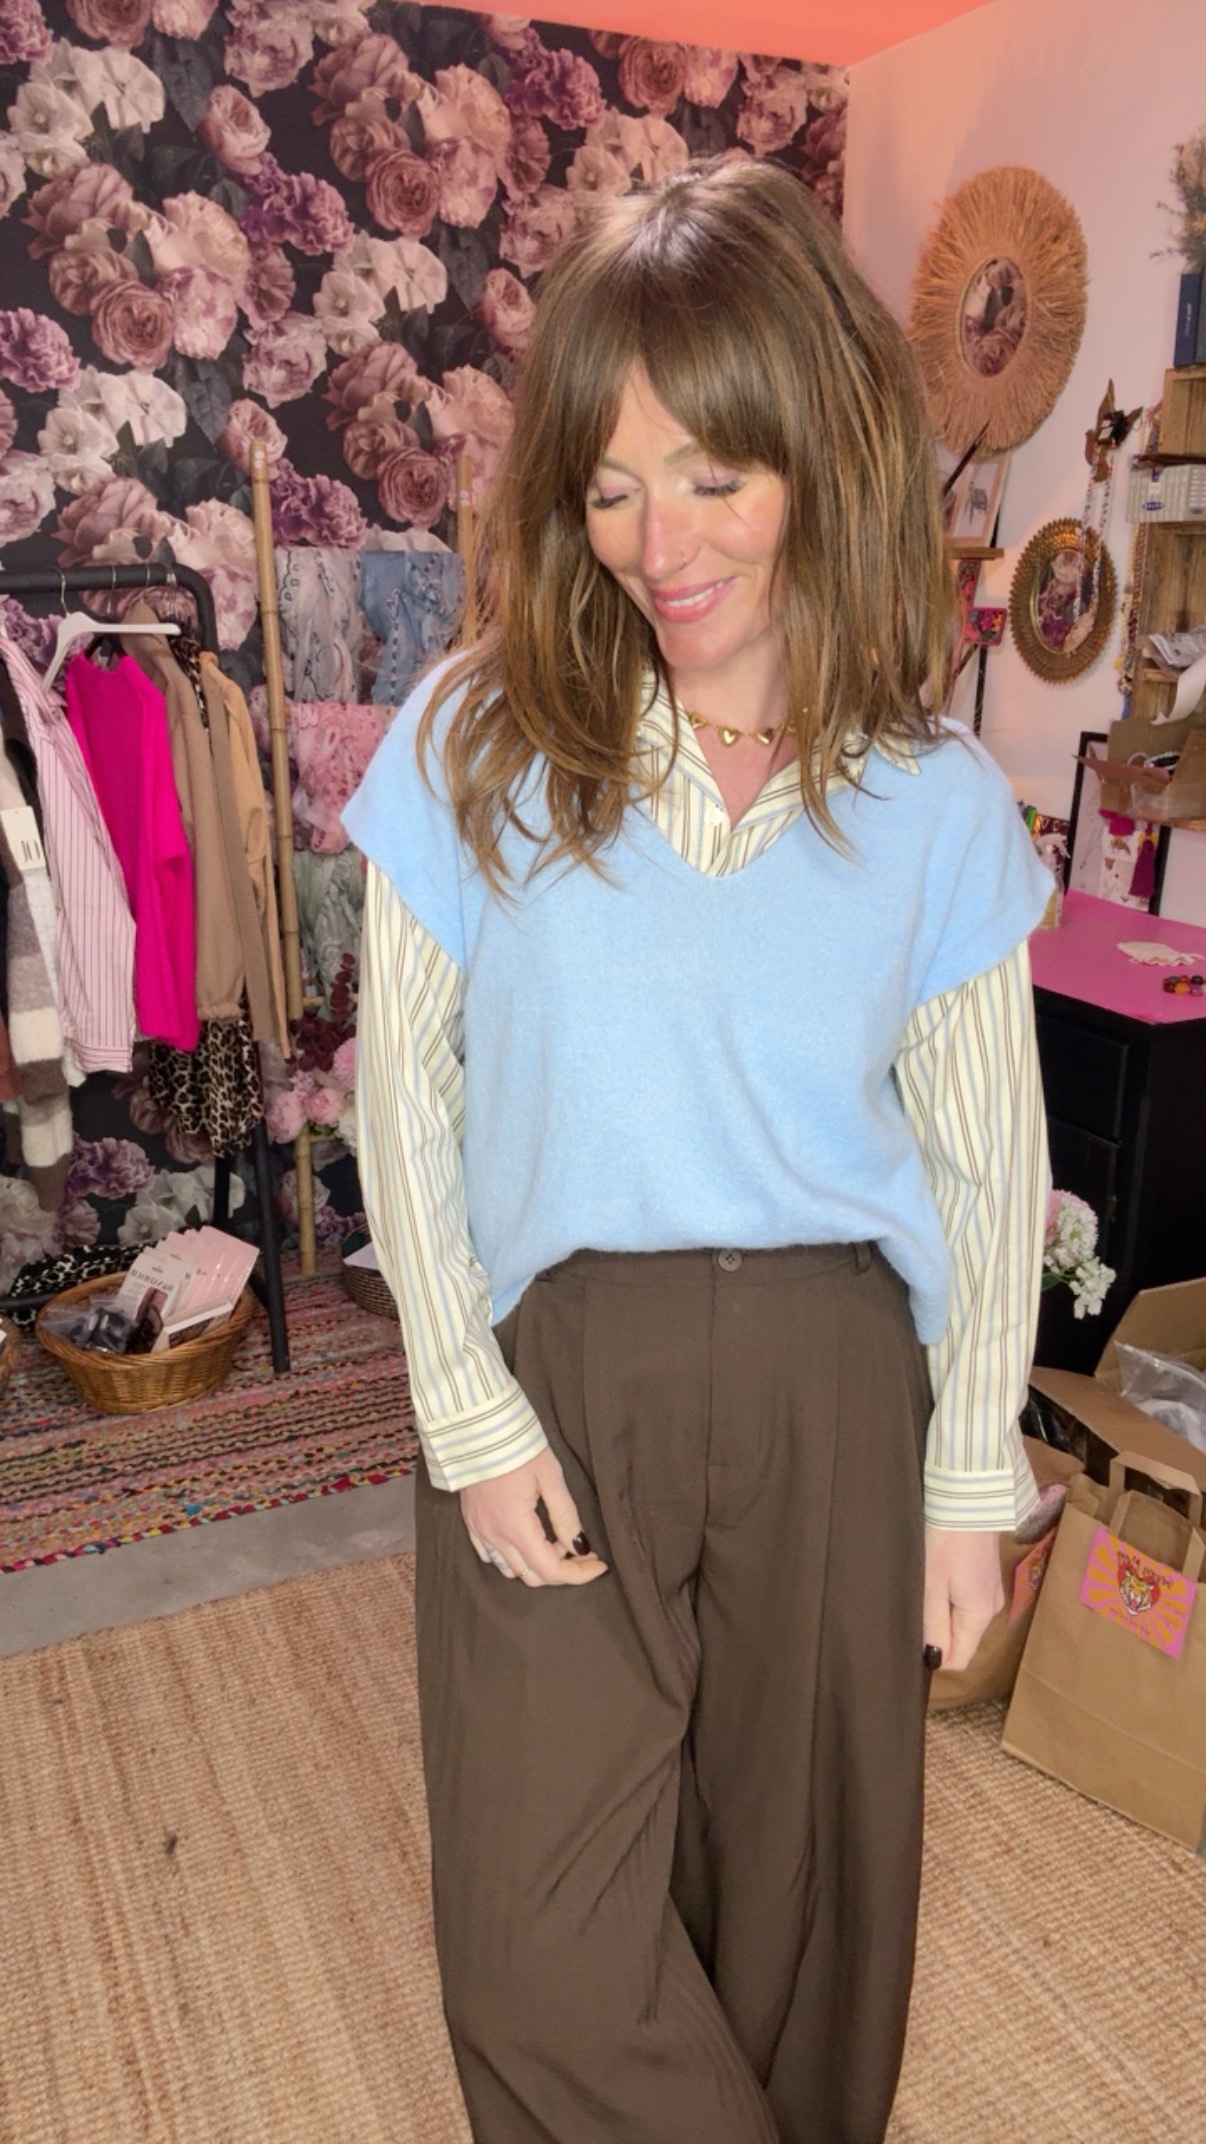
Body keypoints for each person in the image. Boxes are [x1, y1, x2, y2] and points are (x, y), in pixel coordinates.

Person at [345, 157, 1051, 2144]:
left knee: (802, 1915)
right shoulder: (476, 743)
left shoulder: (933, 799)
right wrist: (463, 1405)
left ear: (821, 453)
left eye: (712, 476)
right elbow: (404, 1094)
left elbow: (986, 1161)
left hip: (836, 1380)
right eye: (608, 485)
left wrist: (969, 1480)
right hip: (562, 1375)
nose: (656, 542)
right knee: (537, 1945)